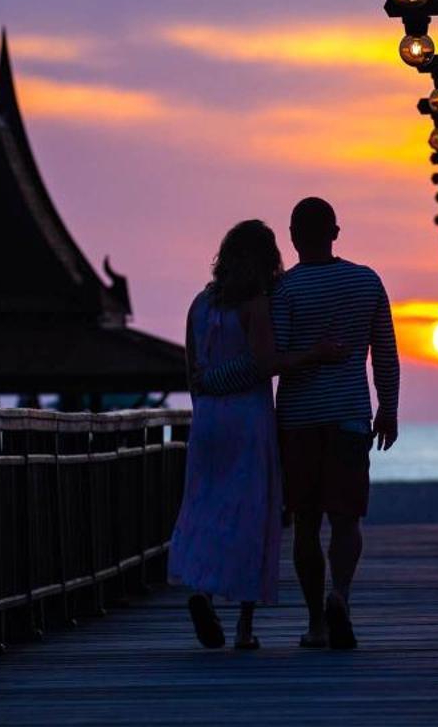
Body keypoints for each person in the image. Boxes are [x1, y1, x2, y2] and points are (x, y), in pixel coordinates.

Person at [169, 219, 343, 650]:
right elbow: (265, 363)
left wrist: (209, 391)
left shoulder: (199, 303)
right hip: (248, 420)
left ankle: (202, 591)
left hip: (208, 421)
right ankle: (245, 627)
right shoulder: (255, 304)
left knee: (204, 507)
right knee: (251, 513)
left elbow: (193, 371)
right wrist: (314, 354)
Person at [272, 196, 399, 650]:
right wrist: (389, 407)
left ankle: (316, 624)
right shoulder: (366, 281)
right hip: (350, 415)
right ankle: (340, 595)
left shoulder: (283, 290)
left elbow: (279, 358)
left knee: (306, 522)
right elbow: (385, 350)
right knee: (347, 519)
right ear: (336, 233)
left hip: (299, 420)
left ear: (292, 237)